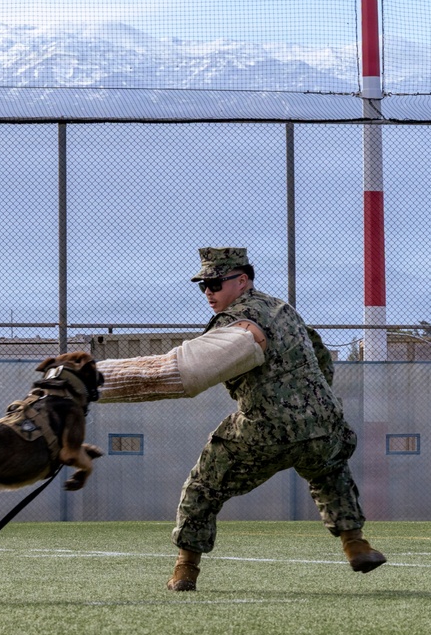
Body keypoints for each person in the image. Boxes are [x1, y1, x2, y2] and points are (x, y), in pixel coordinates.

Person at [96, 247, 385, 591]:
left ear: (242, 280)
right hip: (325, 424)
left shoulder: (239, 320)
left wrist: (93, 380)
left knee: (203, 485)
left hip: (267, 428)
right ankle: (355, 544)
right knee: (330, 469)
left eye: (215, 284)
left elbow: (188, 371)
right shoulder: (284, 309)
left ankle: (185, 569)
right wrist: (310, 406)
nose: (208, 292)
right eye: (203, 285)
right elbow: (321, 354)